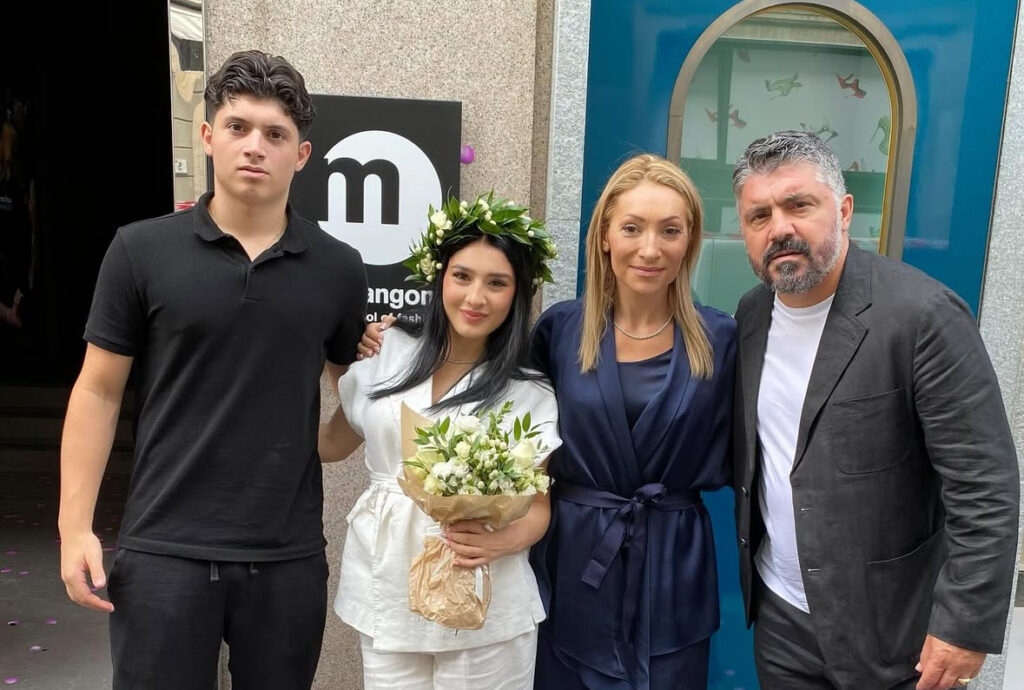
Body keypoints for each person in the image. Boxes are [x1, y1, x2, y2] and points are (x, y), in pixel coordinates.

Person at [58, 50, 367, 689]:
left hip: (285, 557)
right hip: (163, 549)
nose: (255, 146)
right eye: (238, 127)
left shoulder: (339, 268)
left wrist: (370, 397)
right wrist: (73, 527)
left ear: (301, 155)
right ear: (207, 136)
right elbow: (98, 391)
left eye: (275, 134)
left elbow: (353, 404)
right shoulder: (140, 250)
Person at [730, 131, 1019, 690]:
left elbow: (985, 486)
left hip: (894, 631)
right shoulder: (752, 314)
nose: (779, 228)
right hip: (782, 620)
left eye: (799, 205)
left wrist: (964, 625)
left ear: (843, 211)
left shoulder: (923, 316)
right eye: (758, 215)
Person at [320, 194, 562, 689]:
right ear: (440, 277)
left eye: (497, 283)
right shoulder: (387, 352)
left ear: (517, 294)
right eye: (462, 276)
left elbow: (538, 506)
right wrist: (324, 349)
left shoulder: (530, 391)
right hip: (389, 584)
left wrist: (501, 541)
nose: (476, 297)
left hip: (484, 592)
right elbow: (331, 445)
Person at [529, 154, 736, 689]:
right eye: (632, 228)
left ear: (689, 241)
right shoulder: (560, 330)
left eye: (670, 230)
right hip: (576, 563)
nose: (650, 249)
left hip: (673, 566)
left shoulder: (721, 339)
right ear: (604, 236)